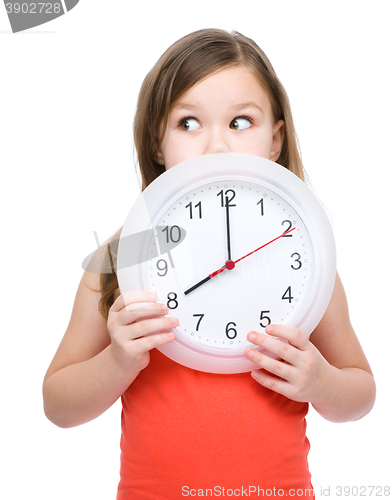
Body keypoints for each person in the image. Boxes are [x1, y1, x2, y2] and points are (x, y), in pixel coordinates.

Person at [43, 29, 376, 499]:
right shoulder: (125, 257)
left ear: (275, 139)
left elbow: (360, 394)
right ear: (157, 142)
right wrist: (117, 361)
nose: (217, 146)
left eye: (241, 122)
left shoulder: (304, 261)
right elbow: (58, 405)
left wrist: (321, 382)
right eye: (188, 123)